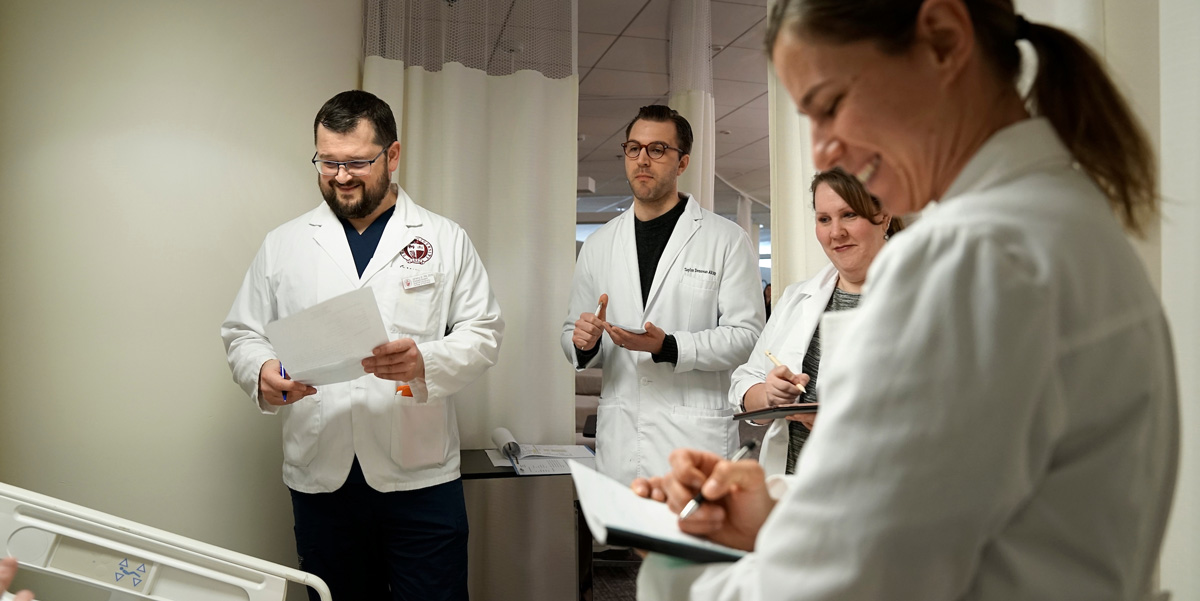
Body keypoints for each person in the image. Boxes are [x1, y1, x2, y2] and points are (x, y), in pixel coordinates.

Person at [633, 1, 1178, 599]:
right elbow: (958, 509)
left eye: (831, 104)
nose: (822, 152)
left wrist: (674, 565)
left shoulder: (971, 258)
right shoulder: (1070, 221)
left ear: (943, 40)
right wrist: (774, 513)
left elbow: (847, 583)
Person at [221, 90, 503, 601]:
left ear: (392, 156)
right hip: (322, 478)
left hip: (421, 479)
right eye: (328, 162)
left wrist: (425, 361)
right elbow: (242, 331)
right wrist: (261, 369)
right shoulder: (283, 245)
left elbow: (484, 333)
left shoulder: (444, 238)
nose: (342, 176)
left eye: (357, 162)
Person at [561, 105, 765, 486]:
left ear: (682, 161)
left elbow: (747, 337)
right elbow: (573, 332)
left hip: (692, 438)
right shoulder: (599, 244)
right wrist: (584, 342)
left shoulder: (725, 240)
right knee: (627, 542)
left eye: (657, 149)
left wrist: (669, 346)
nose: (642, 159)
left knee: (688, 541)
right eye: (633, 148)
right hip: (622, 437)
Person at [732, 168, 902, 476]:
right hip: (793, 488)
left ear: (884, 216)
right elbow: (745, 380)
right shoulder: (798, 298)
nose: (835, 232)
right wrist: (769, 395)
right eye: (824, 219)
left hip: (878, 489)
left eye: (849, 215)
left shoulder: (924, 299)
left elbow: (956, 415)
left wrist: (847, 427)